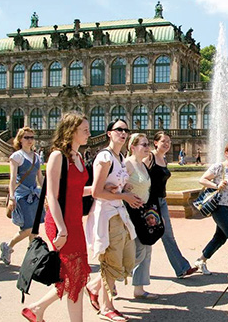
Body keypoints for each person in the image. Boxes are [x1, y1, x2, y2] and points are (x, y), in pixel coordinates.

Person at [22, 112, 92, 322]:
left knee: (74, 275)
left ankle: (36, 308)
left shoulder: (79, 157)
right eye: (85, 130)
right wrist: (61, 228)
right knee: (75, 276)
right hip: (60, 222)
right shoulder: (57, 156)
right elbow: (51, 195)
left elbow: (75, 190)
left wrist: (99, 189)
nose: (89, 133)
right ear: (71, 132)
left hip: (75, 221)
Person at [85, 119, 140, 321]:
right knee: (111, 260)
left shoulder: (120, 156)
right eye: (119, 130)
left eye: (126, 130)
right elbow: (97, 192)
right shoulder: (105, 157)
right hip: (107, 215)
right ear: (109, 133)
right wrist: (124, 196)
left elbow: (113, 187)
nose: (123, 133)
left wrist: (126, 191)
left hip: (119, 213)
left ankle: (93, 286)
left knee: (128, 257)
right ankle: (107, 307)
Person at [144, 131, 198, 279]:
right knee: (142, 238)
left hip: (161, 201)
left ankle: (182, 268)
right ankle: (123, 268)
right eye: (163, 141)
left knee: (168, 235)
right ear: (155, 143)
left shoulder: (164, 159)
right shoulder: (149, 157)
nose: (167, 144)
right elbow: (138, 175)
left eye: (168, 141)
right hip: (150, 203)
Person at [195, 142, 228, 275]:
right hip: (220, 208)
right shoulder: (220, 167)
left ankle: (201, 261)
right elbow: (202, 180)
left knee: (220, 238)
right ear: (226, 153)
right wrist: (217, 184)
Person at [0, 127, 43, 266]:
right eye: (26, 137)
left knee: (34, 230)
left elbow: (40, 177)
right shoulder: (16, 156)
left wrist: (46, 194)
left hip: (34, 194)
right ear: (20, 139)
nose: (30, 140)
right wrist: (11, 197)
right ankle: (8, 246)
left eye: (31, 137)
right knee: (28, 228)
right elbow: (12, 179)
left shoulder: (36, 156)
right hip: (22, 195)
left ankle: (30, 258)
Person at [125, 133, 160, 300]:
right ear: (133, 147)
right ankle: (103, 281)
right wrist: (127, 195)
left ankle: (139, 288)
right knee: (138, 251)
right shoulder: (127, 164)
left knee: (146, 249)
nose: (148, 148)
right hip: (131, 214)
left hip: (143, 213)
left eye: (147, 144)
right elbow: (116, 188)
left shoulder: (143, 165)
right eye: (144, 145)